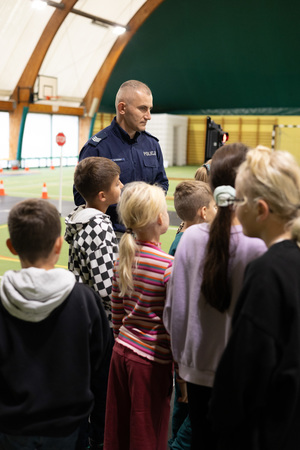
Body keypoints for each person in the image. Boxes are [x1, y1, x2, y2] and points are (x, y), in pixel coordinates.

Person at [163, 143, 267, 450]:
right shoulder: (258, 244)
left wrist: (182, 367)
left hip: (196, 372)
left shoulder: (190, 237)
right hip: (243, 380)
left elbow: (176, 311)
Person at [0, 199, 112, 450]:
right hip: (70, 429)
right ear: (59, 245)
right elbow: (103, 372)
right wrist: (101, 431)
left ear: (11, 247)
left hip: (9, 429)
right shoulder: (85, 300)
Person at [209, 146, 300, 450]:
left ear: (261, 210)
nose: (234, 207)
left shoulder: (266, 274)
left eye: (240, 199)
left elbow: (241, 381)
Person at [104, 182, 174, 450]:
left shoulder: (122, 260)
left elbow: (117, 312)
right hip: (150, 361)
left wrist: (122, 340)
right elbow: (173, 322)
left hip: (121, 353)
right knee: (148, 432)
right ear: (159, 218)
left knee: (118, 428)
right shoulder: (168, 266)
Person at [74, 80, 169, 236]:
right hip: (111, 235)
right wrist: (127, 203)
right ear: (122, 108)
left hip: (146, 234)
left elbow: (162, 182)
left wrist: (149, 202)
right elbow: (81, 197)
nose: (149, 116)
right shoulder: (97, 148)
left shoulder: (152, 145)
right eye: (142, 109)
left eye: (149, 109)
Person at [168, 179, 217, 450]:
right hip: (194, 343)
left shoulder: (182, 236)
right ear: (203, 212)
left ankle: (174, 440)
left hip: (184, 347)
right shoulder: (191, 243)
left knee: (183, 404)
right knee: (196, 413)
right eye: (213, 206)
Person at [65, 156, 122, 323]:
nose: (122, 186)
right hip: (100, 321)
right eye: (117, 184)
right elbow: (106, 288)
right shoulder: (99, 228)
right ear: (102, 196)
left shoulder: (81, 218)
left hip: (83, 312)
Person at [169, 179, 216, 256]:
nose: (216, 211)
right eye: (215, 207)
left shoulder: (179, 241)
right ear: (203, 212)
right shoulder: (190, 243)